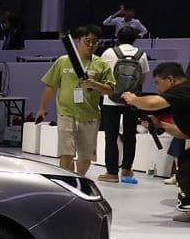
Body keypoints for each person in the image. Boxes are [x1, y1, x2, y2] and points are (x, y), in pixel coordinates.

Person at [35, 25, 115, 175]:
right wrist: (41, 108)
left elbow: (110, 90)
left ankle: (80, 178)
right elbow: (50, 85)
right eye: (87, 41)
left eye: (95, 42)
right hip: (66, 113)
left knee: (85, 156)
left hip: (90, 115)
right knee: (66, 153)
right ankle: (68, 179)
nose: (91, 45)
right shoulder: (63, 61)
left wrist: (95, 84)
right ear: (78, 41)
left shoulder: (101, 64)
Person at [122, 62, 190, 221]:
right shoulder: (182, 95)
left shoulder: (182, 89)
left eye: (157, 83)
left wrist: (133, 99)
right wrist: (161, 125)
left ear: (170, 80)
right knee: (185, 164)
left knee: (186, 172)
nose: (157, 88)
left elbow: (152, 103)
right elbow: (184, 133)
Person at [98, 25, 149, 184]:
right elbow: (142, 79)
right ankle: (127, 170)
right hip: (132, 100)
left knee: (111, 136)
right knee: (130, 136)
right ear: (135, 39)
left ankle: (112, 172)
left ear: (118, 38)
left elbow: (101, 73)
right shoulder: (141, 55)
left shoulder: (109, 52)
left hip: (110, 99)